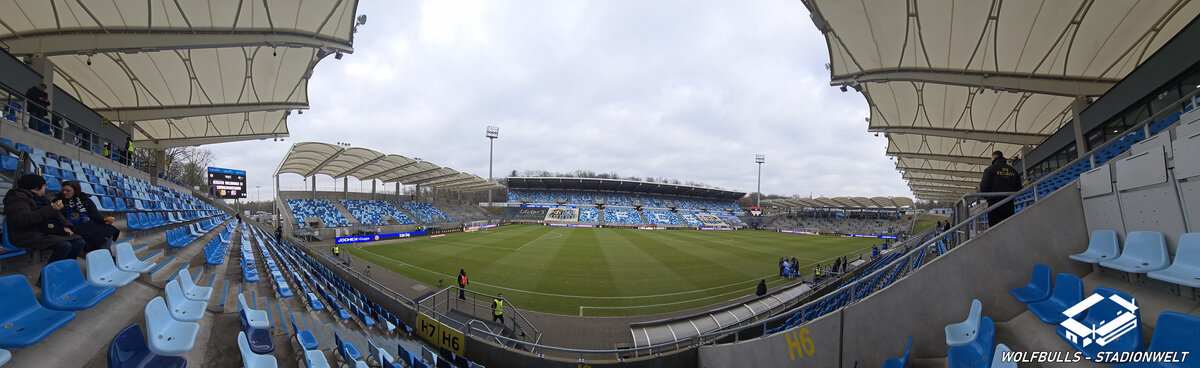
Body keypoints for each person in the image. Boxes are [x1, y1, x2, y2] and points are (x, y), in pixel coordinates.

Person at [4, 174, 85, 286]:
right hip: (26, 234)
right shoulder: (17, 199)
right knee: (64, 246)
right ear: (37, 187)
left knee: (79, 242)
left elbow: (58, 216)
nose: (45, 188)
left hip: (44, 231)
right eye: (44, 186)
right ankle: (45, 280)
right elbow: (23, 220)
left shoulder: (43, 198)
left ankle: (63, 272)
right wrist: (50, 209)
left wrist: (66, 226)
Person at [54, 181, 119, 254]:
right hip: (73, 227)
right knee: (100, 233)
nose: (64, 192)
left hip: (88, 224)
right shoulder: (58, 201)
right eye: (63, 190)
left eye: (67, 191)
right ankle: (103, 255)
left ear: (75, 191)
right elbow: (57, 217)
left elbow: (95, 214)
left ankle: (105, 254)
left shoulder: (85, 200)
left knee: (109, 229)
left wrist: (104, 220)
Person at [979, 151, 1023, 227]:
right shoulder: (1013, 170)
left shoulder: (990, 170)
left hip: (994, 204)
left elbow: (983, 188)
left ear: (994, 157)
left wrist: (988, 197)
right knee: (1009, 227)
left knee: (995, 229)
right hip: (1009, 204)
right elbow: (1019, 188)